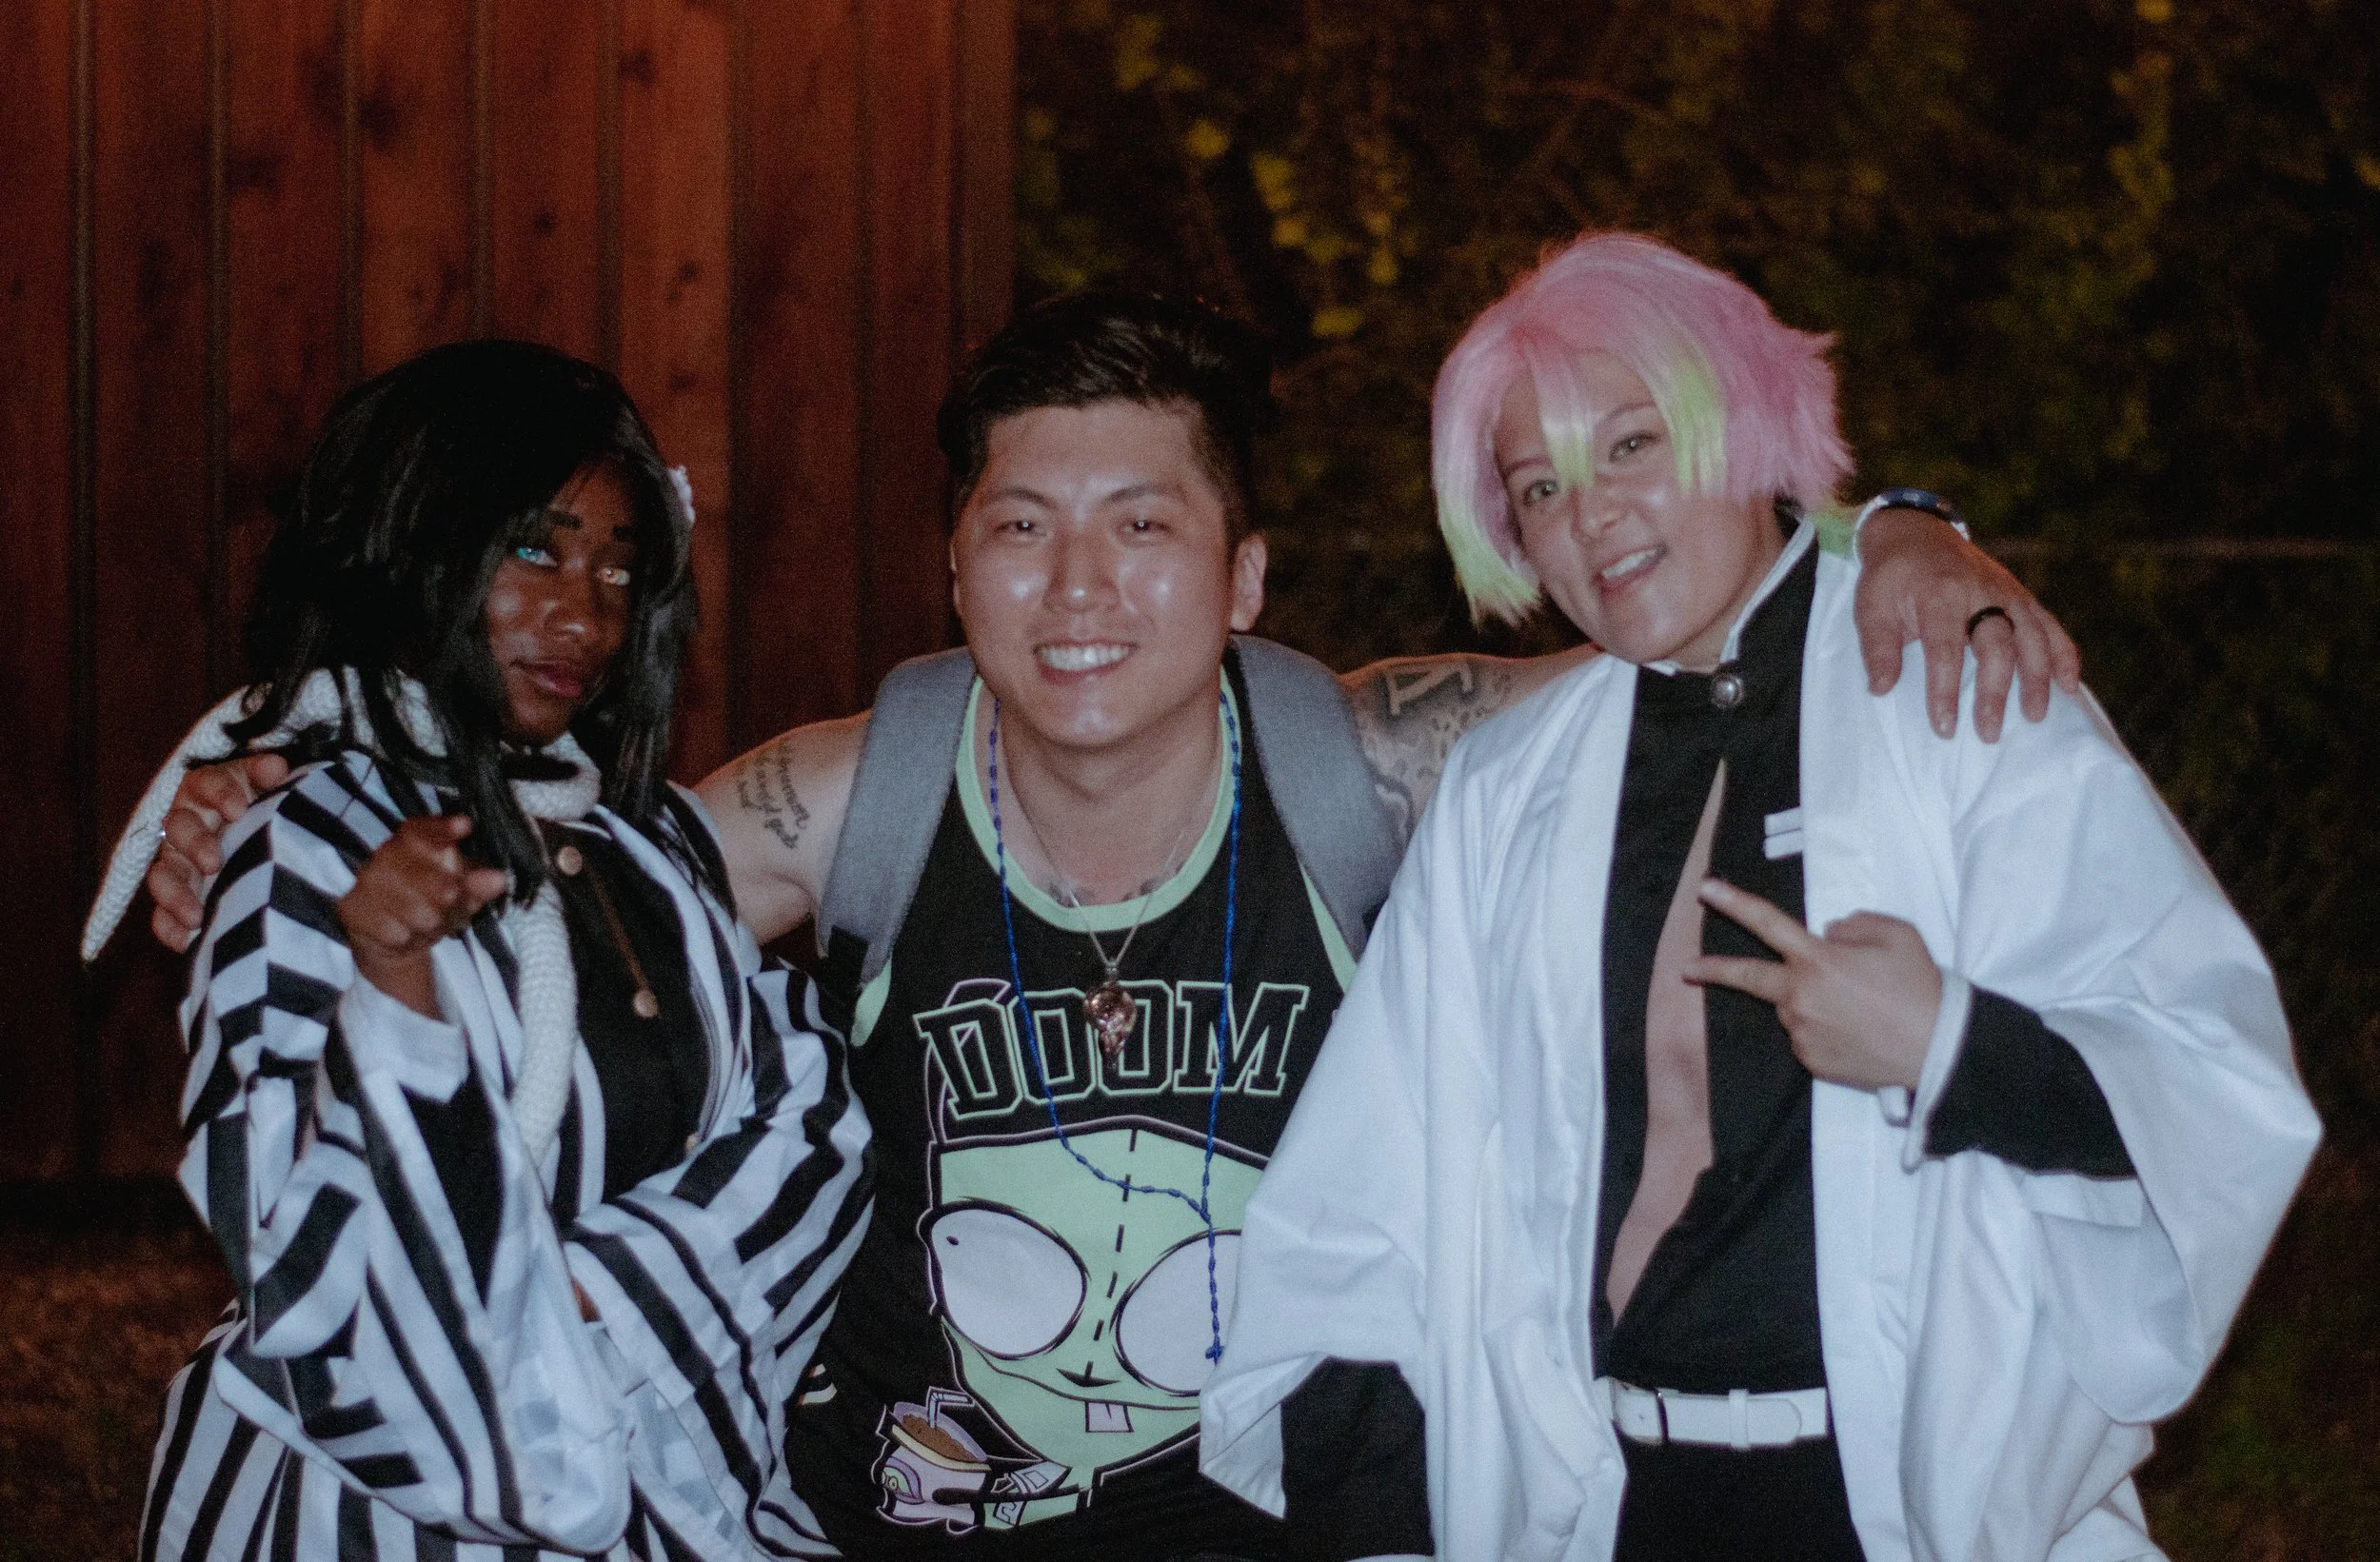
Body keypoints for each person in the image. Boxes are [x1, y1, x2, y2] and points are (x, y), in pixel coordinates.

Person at [142, 292, 2078, 1560]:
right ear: (951, 557)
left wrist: (1889, 526)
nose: (1078, 586)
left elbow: (1686, 626)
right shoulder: (849, 795)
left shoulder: (1382, 765)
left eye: (1142, 526)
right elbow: (526, 923)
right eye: (1019, 524)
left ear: (1240, 573)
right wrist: (249, 819)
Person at [1199, 234, 2321, 1561]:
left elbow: (2218, 1096)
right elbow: (1369, 1213)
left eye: (1631, 445)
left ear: (1741, 418)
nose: (1593, 515)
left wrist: (1951, 1045)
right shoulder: (1507, 792)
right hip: (1613, 1511)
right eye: (1539, 487)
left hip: (1914, 1511)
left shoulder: (1951, 684)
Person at [97, 341, 872, 1559]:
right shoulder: (296, 845)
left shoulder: (650, 841)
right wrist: (392, 989)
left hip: (664, 1482)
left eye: (622, 567)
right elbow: (292, 1242)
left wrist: (579, 1307)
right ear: (411, 539)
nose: (586, 614)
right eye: (533, 549)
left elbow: (814, 1122)